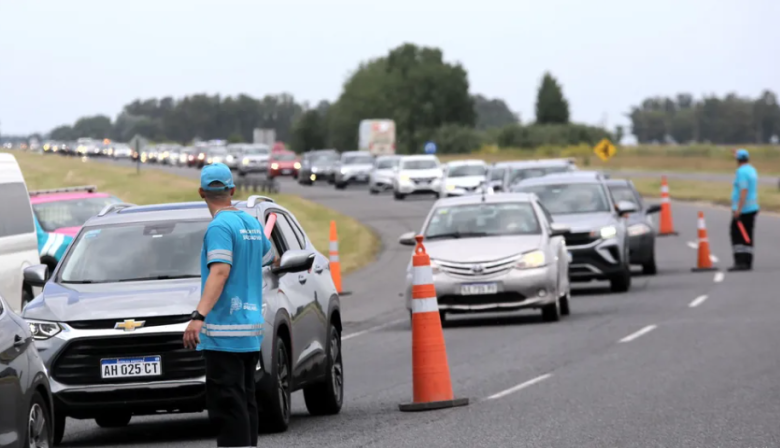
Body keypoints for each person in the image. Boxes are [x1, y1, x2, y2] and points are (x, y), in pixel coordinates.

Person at [183, 163, 274, 447]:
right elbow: (267, 256)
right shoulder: (251, 223)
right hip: (249, 331)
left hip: (224, 333)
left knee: (227, 407)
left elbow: (220, 271)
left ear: (201, 192)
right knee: (245, 403)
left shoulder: (219, 226)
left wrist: (199, 316)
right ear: (232, 190)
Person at [729, 148, 759, 271]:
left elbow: (743, 190)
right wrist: (737, 153)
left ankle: (740, 262)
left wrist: (738, 209)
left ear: (738, 160)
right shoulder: (751, 169)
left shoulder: (741, 172)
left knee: (737, 235)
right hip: (752, 207)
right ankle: (747, 261)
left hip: (744, 210)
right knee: (748, 236)